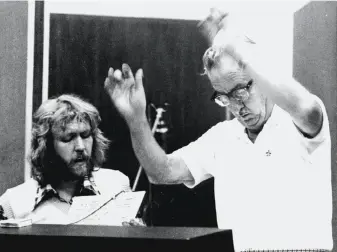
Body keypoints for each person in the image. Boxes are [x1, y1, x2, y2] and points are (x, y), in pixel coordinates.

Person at [104, 8, 332, 252]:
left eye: (240, 91)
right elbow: (161, 172)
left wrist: (238, 48)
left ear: (260, 76)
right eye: (224, 97)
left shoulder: (298, 123)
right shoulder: (222, 137)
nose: (236, 106)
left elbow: (304, 107)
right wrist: (136, 120)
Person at [0, 94, 131, 224]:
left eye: (85, 136)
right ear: (46, 146)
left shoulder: (117, 185)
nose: (80, 147)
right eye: (68, 138)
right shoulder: (13, 203)